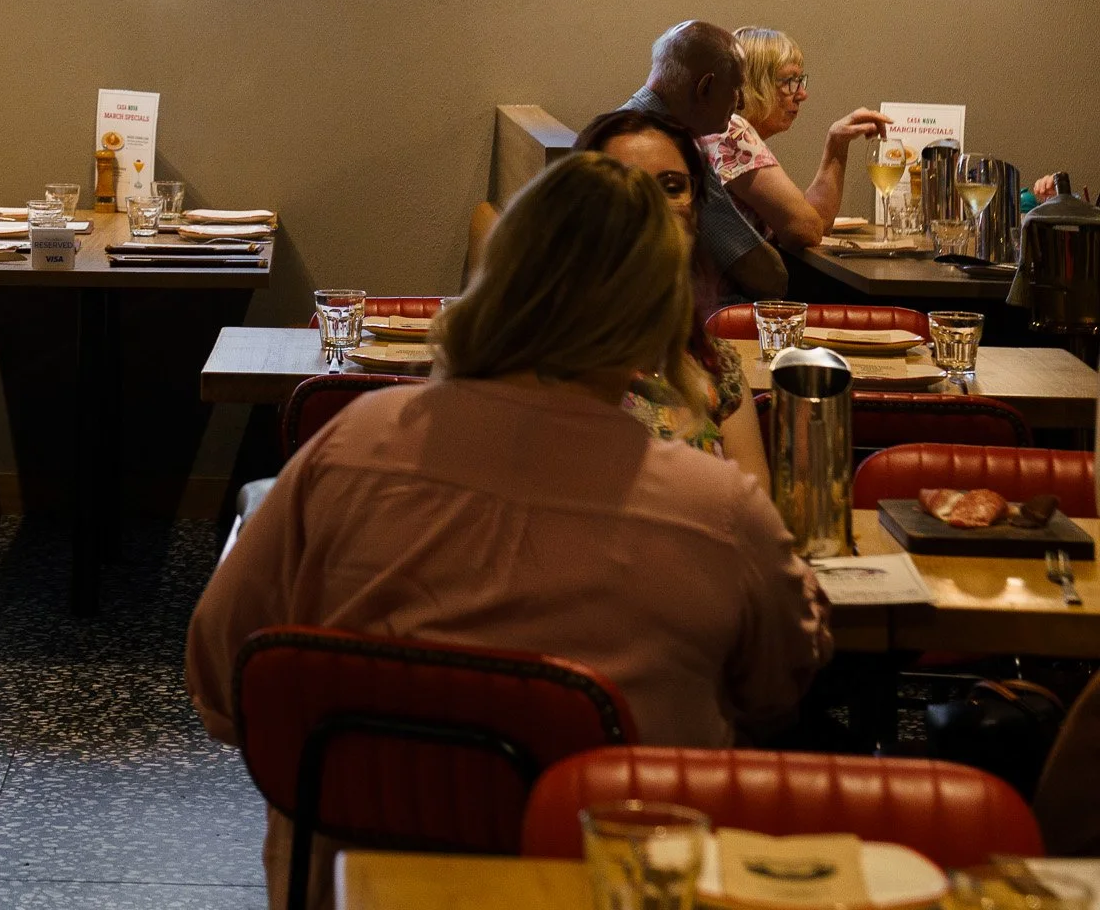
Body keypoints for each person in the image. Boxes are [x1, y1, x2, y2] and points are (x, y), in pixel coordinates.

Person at [185, 153, 829, 910]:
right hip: (604, 884)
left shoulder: (353, 444)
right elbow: (782, 684)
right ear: (659, 317)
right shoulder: (715, 509)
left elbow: (223, 680)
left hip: (356, 883)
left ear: (497, 280)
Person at [575, 107, 768, 488]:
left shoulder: (716, 364)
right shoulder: (547, 361)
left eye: (672, 186)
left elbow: (757, 519)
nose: (655, 207)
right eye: (628, 187)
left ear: (695, 208)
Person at [625, 19, 788, 301]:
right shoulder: (671, 149)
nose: (741, 105)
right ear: (706, 88)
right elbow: (765, 276)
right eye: (736, 89)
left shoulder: (606, 131)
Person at [698, 26, 888, 253]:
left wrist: (837, 144)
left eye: (800, 80)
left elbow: (816, 222)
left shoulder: (720, 128)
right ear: (755, 83)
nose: (802, 94)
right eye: (789, 81)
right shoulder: (733, 132)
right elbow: (805, 229)